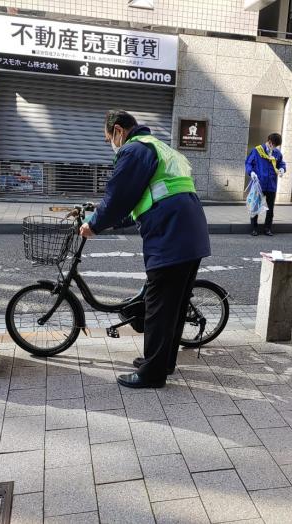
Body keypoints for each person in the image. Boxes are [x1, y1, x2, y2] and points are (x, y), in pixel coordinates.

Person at [79, 110, 210, 389]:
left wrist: (94, 225)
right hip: (190, 232)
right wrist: (106, 222)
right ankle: (163, 362)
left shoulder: (134, 150)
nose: (111, 144)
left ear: (118, 131)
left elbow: (118, 197)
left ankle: (152, 374)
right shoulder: (160, 147)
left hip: (171, 235)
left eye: (108, 139)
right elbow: (144, 200)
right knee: (174, 305)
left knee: (159, 306)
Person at [245, 133, 286, 236]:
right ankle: (254, 228)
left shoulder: (277, 153)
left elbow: (281, 163)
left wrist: (282, 169)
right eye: (272, 144)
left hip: (271, 184)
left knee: (270, 208)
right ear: (268, 141)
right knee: (255, 206)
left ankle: (267, 228)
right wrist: (251, 172)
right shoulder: (257, 150)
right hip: (259, 183)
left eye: (276, 145)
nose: (273, 146)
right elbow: (248, 163)